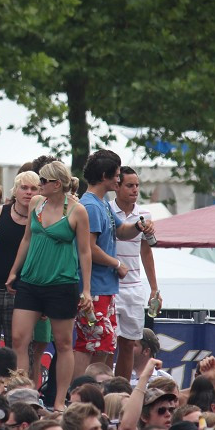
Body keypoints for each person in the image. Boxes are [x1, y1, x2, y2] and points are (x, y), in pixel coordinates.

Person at [7, 162, 92, 411]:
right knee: (19, 339)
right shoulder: (36, 203)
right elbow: (26, 239)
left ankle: (58, 402)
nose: (38, 185)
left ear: (56, 184)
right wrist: (14, 271)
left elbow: (85, 252)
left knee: (63, 343)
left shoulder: (77, 211)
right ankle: (22, 395)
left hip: (61, 283)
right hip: (31, 280)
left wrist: (86, 289)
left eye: (43, 181)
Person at [73, 150, 153, 376]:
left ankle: (96, 392)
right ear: (106, 175)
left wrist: (138, 226)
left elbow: (121, 230)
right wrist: (116, 264)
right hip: (95, 287)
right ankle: (79, 393)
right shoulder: (90, 206)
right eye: (117, 175)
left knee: (104, 344)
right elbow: (88, 247)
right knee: (89, 345)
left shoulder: (103, 203)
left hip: (106, 288)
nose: (119, 180)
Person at [0, 171, 38, 375]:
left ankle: (20, 388)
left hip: (22, 292)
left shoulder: (40, 219)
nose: (29, 192)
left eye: (33, 188)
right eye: (24, 187)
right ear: (15, 190)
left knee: (21, 345)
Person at [111, 167, 159, 379]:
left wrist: (154, 288)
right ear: (117, 186)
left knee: (129, 344)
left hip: (134, 287)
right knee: (106, 344)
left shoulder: (144, 214)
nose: (135, 190)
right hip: (109, 285)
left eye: (137, 185)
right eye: (130, 185)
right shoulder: (106, 210)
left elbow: (147, 252)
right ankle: (103, 390)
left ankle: (121, 389)